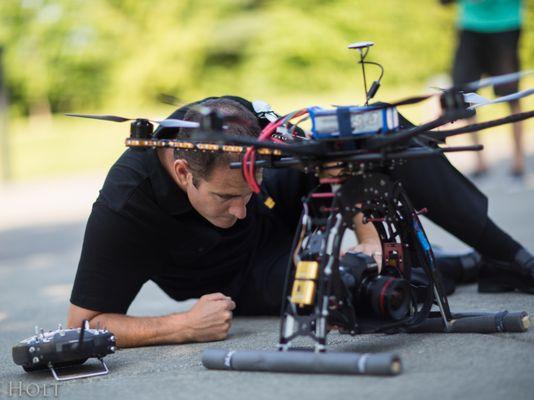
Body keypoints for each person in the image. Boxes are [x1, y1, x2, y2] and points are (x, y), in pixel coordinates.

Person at [67, 96, 534, 348]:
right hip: (242, 278)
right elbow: (82, 326)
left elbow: (335, 164)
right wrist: (181, 326)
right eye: (228, 198)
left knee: (382, 136)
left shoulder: (241, 124)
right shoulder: (126, 207)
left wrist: (367, 236)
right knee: (363, 294)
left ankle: (510, 255)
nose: (240, 208)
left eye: (248, 191)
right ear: (184, 173)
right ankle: (468, 267)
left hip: (290, 210)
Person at [442, 0, 525, 178]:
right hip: (470, 29)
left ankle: (518, 160)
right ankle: (480, 161)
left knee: (511, 95)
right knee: (463, 96)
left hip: (506, 27)